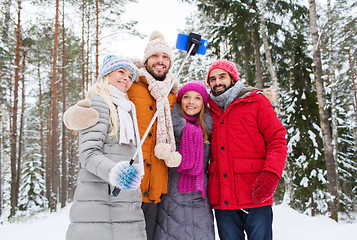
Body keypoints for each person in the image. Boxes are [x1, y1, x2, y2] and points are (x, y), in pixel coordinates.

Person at [64, 55, 146, 240]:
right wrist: (115, 173)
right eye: (121, 72)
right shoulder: (100, 103)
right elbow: (88, 153)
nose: (126, 78)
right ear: (106, 74)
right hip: (100, 198)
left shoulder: (125, 109)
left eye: (130, 76)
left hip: (125, 200)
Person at [206, 59, 288, 240]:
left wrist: (271, 174)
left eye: (222, 76)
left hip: (255, 193)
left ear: (233, 79)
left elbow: (277, 139)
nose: (217, 82)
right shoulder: (208, 110)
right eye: (212, 79)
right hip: (223, 200)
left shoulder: (256, 101)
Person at [126, 31, 182, 240]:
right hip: (128, 184)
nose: (160, 61)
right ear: (146, 60)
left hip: (155, 189)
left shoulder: (173, 95)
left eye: (165, 57)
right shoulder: (130, 86)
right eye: (155, 56)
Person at [154, 81, 215, 240]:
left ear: (203, 102)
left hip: (200, 198)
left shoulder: (209, 129)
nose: (191, 102)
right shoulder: (168, 127)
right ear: (180, 100)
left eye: (197, 98)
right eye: (186, 97)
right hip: (172, 197)